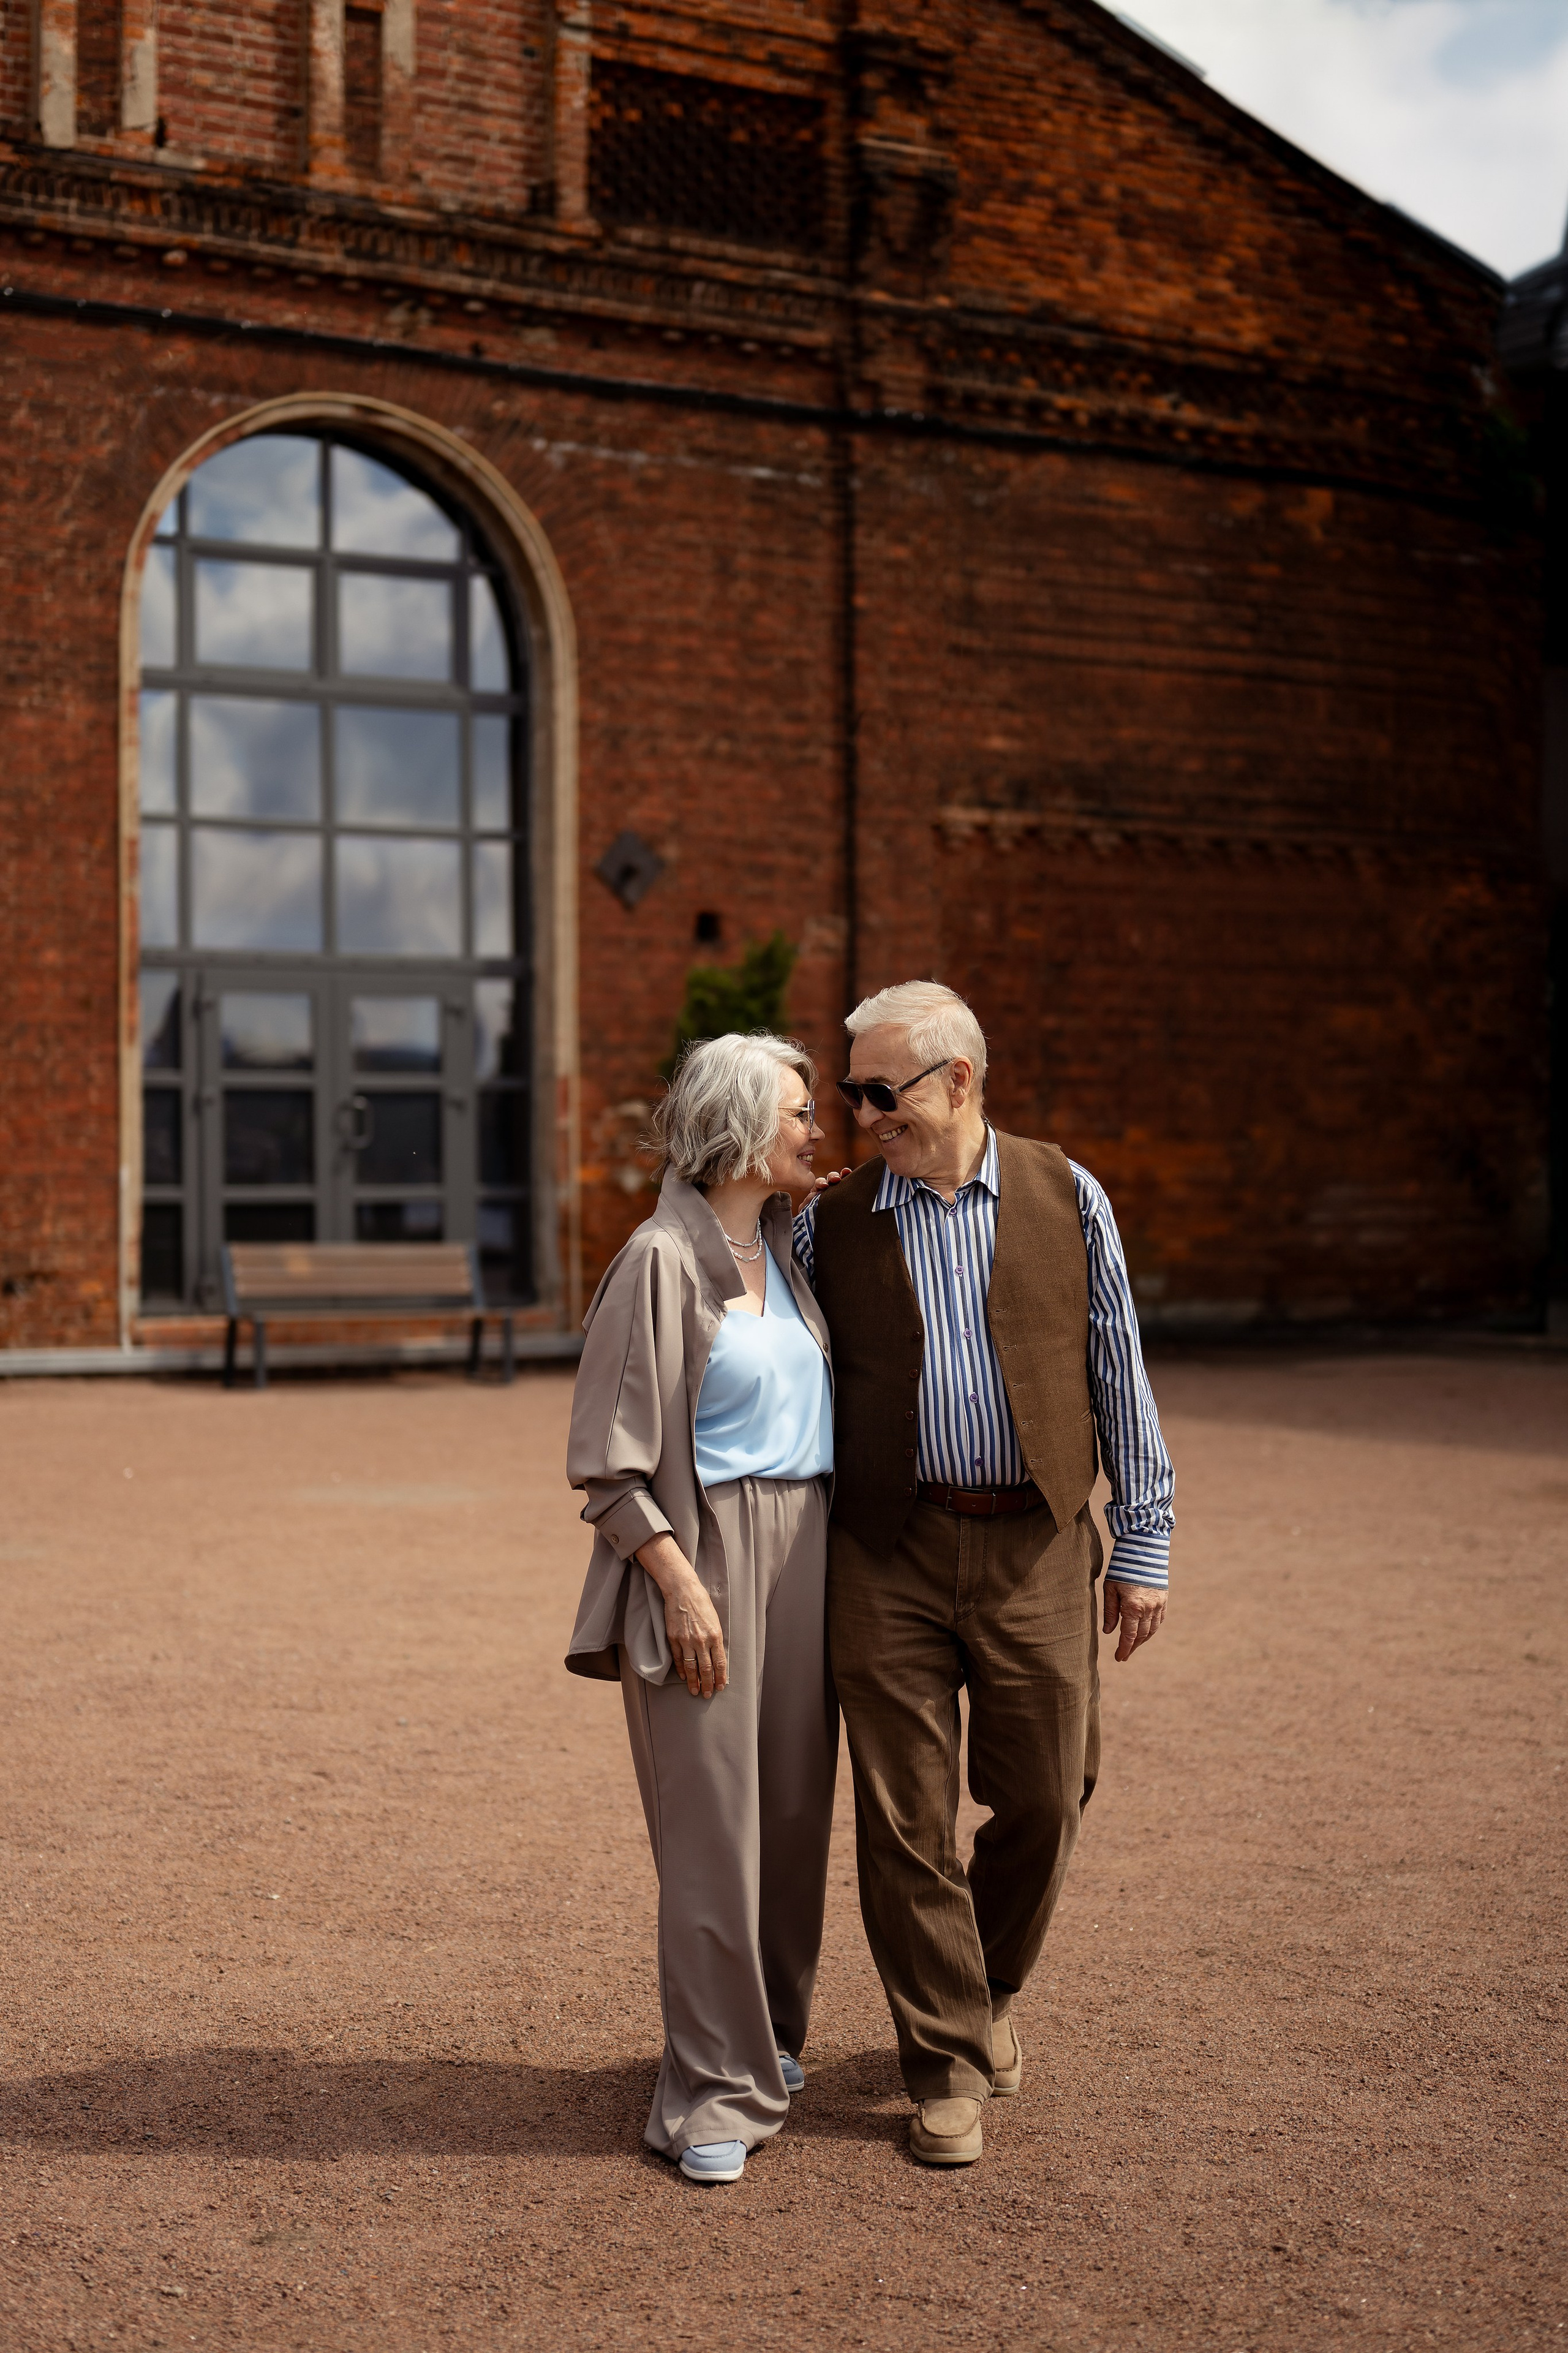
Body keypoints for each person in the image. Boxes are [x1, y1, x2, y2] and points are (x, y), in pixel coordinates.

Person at [796, 980, 1174, 2169]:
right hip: (886, 1549)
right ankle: (945, 2059)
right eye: (851, 1091)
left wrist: (1145, 1538)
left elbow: (1115, 1362)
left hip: (1039, 1543)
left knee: (1049, 1793)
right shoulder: (829, 1220)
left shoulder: (1071, 1195)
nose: (862, 1114)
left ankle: (987, 1987)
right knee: (903, 1821)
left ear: (957, 1080)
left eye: (879, 1089)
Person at [564, 1031, 837, 2185]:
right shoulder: (658, 1261)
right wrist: (678, 1582)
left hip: (811, 1548)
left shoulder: (784, 1243)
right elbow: (607, 1463)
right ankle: (712, 2089)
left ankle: (767, 2037)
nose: (816, 1128)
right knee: (710, 1830)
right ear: (738, 1124)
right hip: (706, 1552)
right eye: (798, 1110)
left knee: (788, 1818)